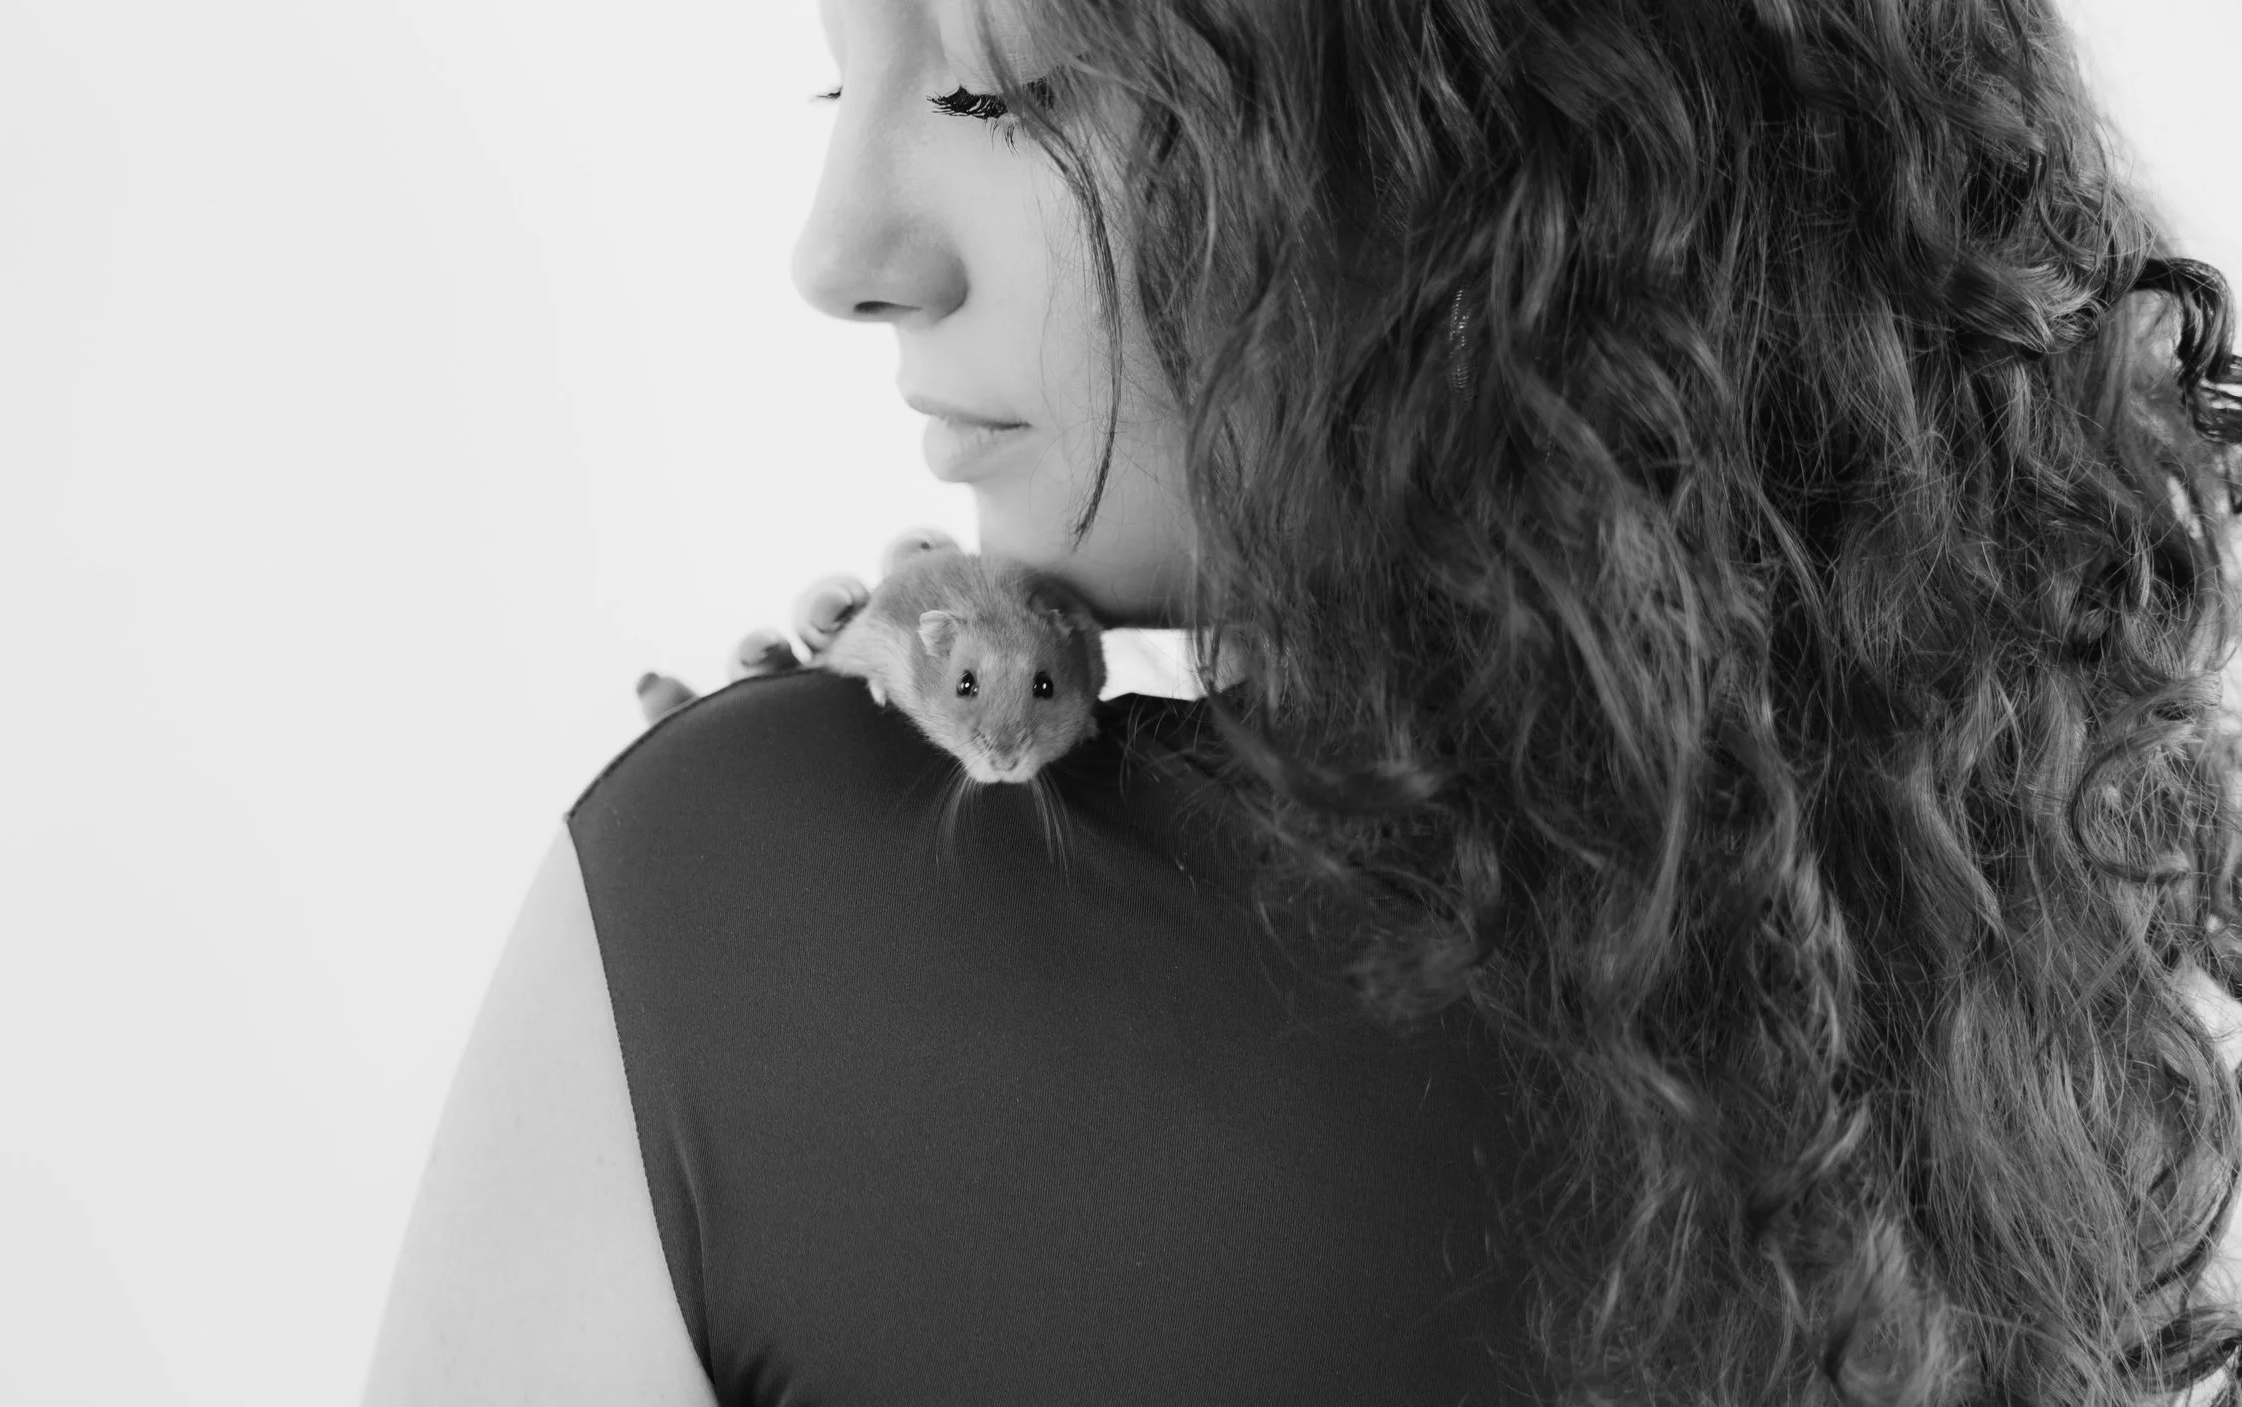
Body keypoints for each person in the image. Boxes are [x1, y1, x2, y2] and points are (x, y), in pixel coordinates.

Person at [361, 0, 2242, 1401]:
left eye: (994, 90)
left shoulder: (747, 904)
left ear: (1457, 121)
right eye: (838, 80)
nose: (842, 252)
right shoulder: (2009, 980)